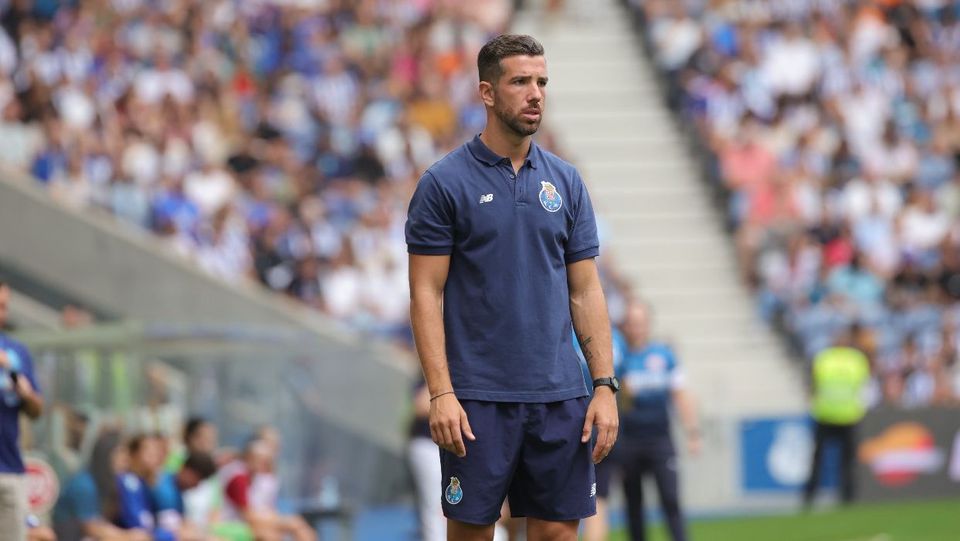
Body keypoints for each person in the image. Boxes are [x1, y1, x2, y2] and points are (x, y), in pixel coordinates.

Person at [405, 34, 619, 541]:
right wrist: (440, 393)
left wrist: (605, 386)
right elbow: (425, 295)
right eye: (520, 81)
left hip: (560, 395)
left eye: (541, 81)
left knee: (558, 535)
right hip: (477, 398)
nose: (535, 93)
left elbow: (586, 292)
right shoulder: (443, 183)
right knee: (473, 534)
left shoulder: (566, 182)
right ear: (486, 92)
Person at [616, 301, 700, 541]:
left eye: (640, 323)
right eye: (632, 323)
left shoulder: (664, 356)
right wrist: (624, 395)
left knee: (671, 500)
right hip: (629, 440)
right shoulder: (619, 358)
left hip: (660, 440)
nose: (636, 328)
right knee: (633, 506)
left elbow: (681, 394)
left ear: (648, 324)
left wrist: (693, 432)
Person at [802, 327, 870, 508]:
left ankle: (847, 500)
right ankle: (810, 498)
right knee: (819, 460)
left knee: (845, 462)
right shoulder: (828, 358)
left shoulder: (851, 359)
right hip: (827, 415)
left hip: (847, 416)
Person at [0, 280, 45, 541]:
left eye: (4, 306)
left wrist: (26, 393)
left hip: (10, 469)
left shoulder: (17, 352)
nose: (2, 313)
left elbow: (36, 410)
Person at [53, 429, 150, 541]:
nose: (126, 459)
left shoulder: (105, 481)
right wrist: (128, 536)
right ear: (106, 455)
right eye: (120, 453)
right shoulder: (84, 484)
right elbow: (92, 528)